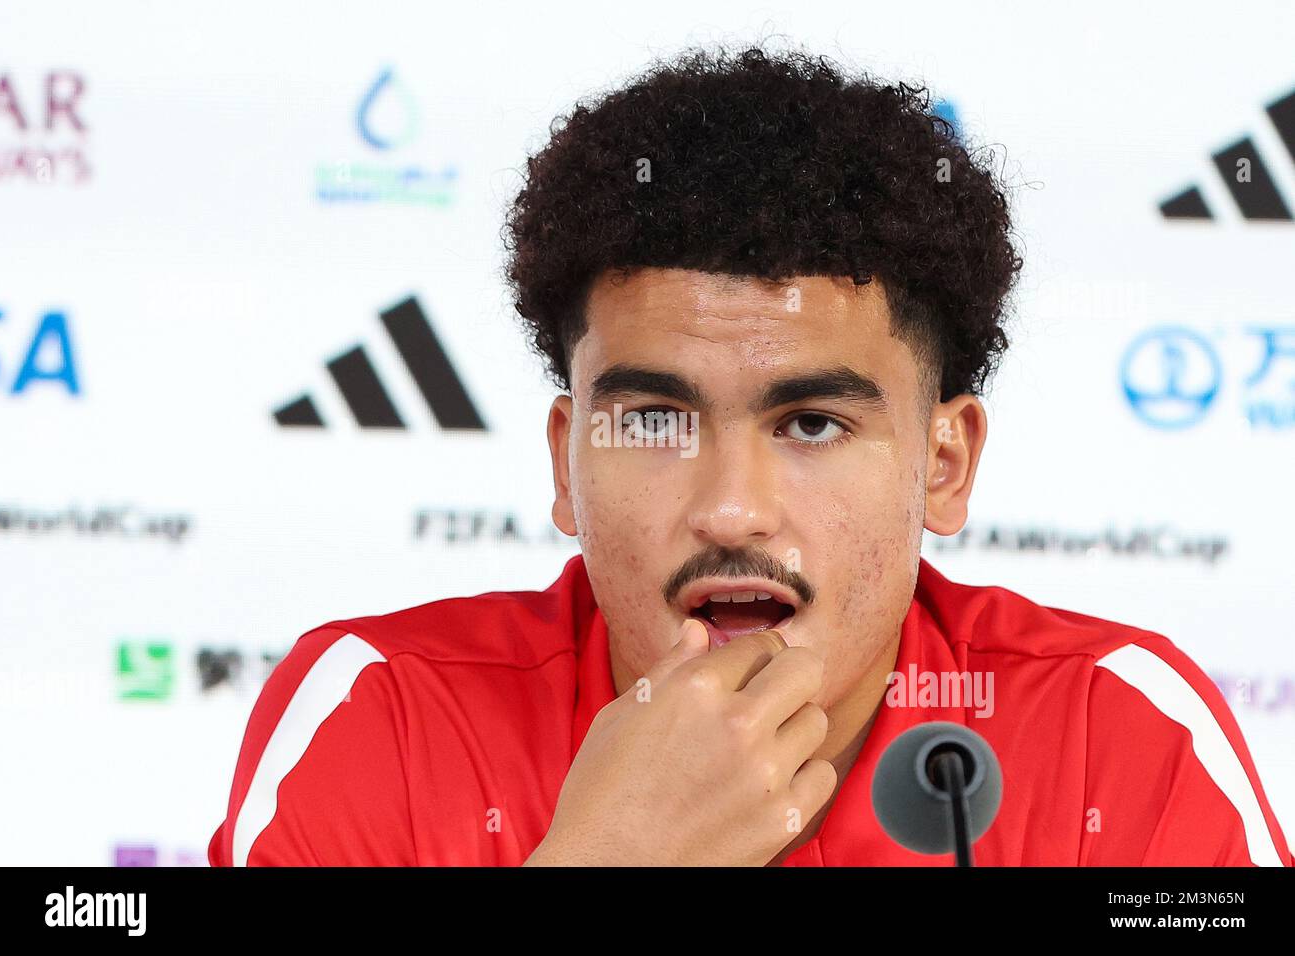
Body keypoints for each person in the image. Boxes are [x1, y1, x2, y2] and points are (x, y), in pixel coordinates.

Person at [208, 45, 1292, 867]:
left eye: (812, 423)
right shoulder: (386, 715)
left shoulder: (1118, 731)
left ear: (944, 463)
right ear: (563, 464)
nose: (732, 510)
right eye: (651, 420)